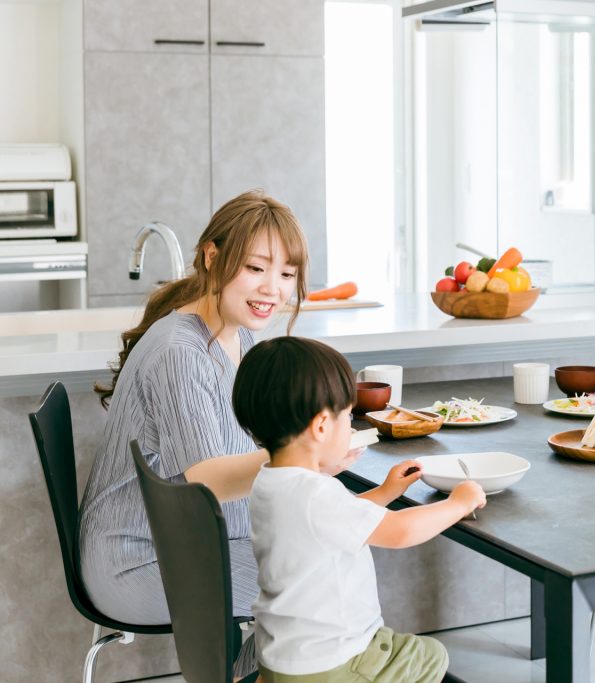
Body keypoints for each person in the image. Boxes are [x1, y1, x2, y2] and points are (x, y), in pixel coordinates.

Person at [80, 190, 311, 678]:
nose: (273, 288)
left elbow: (248, 440)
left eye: (286, 274)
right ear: (212, 256)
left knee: (314, 564)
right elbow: (206, 480)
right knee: (311, 587)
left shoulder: (238, 333)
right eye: (256, 268)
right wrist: (300, 453)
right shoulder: (180, 351)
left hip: (185, 542)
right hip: (137, 560)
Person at [232, 336, 487, 683]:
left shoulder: (272, 481)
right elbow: (400, 532)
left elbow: (330, 523)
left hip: (284, 660)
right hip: (333, 663)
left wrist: (384, 492)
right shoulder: (315, 492)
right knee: (430, 656)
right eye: (348, 417)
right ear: (321, 426)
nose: (351, 427)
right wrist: (459, 502)